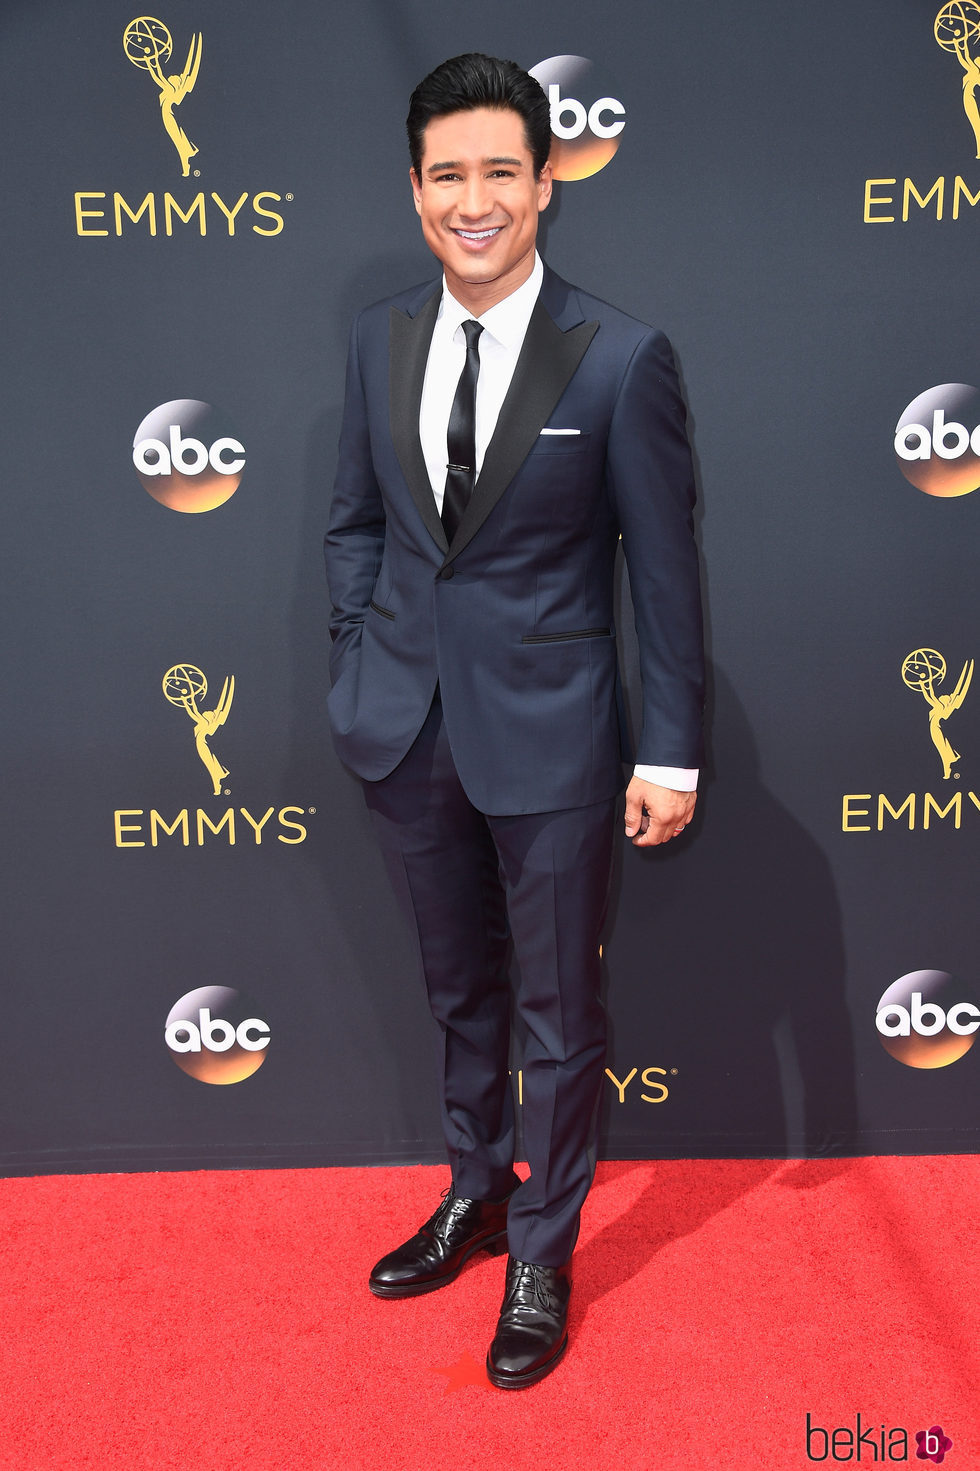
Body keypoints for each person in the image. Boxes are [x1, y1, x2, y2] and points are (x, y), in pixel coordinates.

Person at [324, 52, 704, 1389]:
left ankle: (544, 1250)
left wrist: (669, 747)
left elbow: (664, 572)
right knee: (457, 991)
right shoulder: (378, 336)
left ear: (546, 181)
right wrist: (356, 658)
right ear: (415, 189)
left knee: (558, 1014)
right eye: (446, 175)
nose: (471, 200)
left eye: (499, 170)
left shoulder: (620, 357)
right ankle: (475, 1189)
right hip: (401, 728)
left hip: (551, 735)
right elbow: (358, 525)